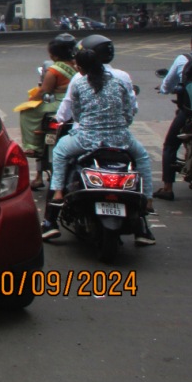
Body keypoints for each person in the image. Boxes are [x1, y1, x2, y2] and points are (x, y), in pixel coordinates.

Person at [42, 47, 155, 245]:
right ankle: (148, 199)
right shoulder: (120, 81)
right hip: (120, 139)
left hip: (86, 139)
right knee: (142, 158)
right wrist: (118, 127)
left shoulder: (78, 83)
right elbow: (129, 111)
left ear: (81, 67)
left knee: (59, 152)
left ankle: (58, 193)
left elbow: (75, 114)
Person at [18, 34, 77, 190]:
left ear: (54, 55)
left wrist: (30, 102)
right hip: (75, 106)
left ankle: (32, 145)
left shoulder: (53, 70)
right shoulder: (78, 66)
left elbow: (44, 90)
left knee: (26, 112)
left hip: (58, 105)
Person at [153, 26, 192, 201]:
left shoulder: (184, 59)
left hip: (190, 112)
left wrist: (165, 89)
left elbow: (167, 86)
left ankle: (167, 188)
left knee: (170, 145)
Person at [56, 34, 138, 123]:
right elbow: (132, 107)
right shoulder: (123, 76)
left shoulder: (79, 77)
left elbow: (69, 109)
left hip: (85, 132)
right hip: (119, 131)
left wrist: (58, 118)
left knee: (64, 138)